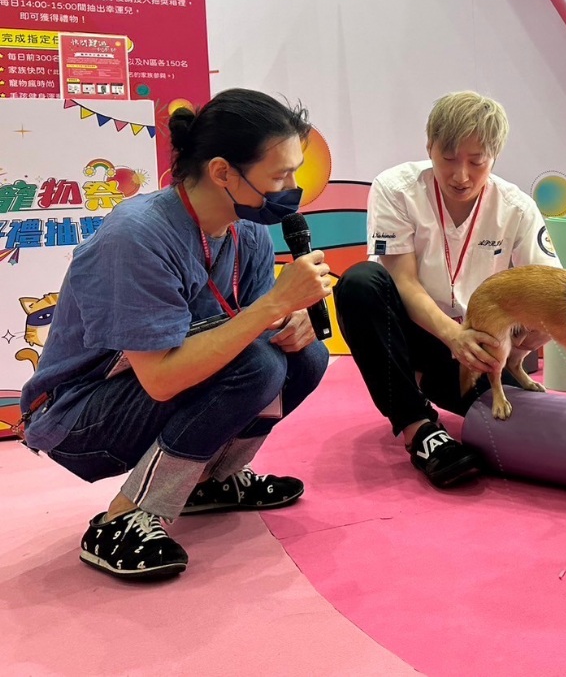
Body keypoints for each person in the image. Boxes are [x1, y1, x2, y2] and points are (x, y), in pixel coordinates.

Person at [17, 89, 333, 580]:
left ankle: (212, 480)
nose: (292, 190)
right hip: (78, 415)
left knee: (303, 357)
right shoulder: (138, 235)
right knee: (257, 364)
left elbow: (254, 327)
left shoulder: (245, 229)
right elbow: (161, 380)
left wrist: (292, 321)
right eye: (280, 176)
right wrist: (273, 305)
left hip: (148, 391)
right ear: (223, 172)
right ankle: (123, 518)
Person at [334, 91, 560, 488]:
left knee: (529, 432)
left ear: (495, 156)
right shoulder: (395, 188)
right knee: (360, 283)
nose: (461, 176)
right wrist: (454, 336)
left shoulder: (516, 207)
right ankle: (418, 427)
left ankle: (427, 380)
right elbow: (402, 280)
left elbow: (549, 288)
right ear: (429, 147)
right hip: (415, 329)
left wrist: (531, 336)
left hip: (479, 347)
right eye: (449, 158)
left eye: (477, 162)